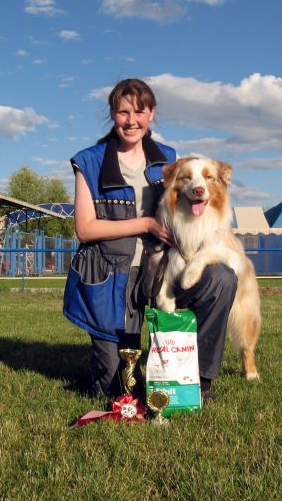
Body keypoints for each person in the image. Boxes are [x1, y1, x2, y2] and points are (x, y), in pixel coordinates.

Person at [63, 78, 237, 401]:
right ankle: (110, 367)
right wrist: (145, 223)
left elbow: (195, 207)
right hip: (113, 275)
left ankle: (198, 380)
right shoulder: (88, 161)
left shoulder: (170, 158)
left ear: (151, 114)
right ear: (112, 114)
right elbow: (84, 229)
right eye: (123, 112)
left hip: (165, 266)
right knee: (118, 390)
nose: (131, 121)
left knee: (221, 278)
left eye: (140, 112)